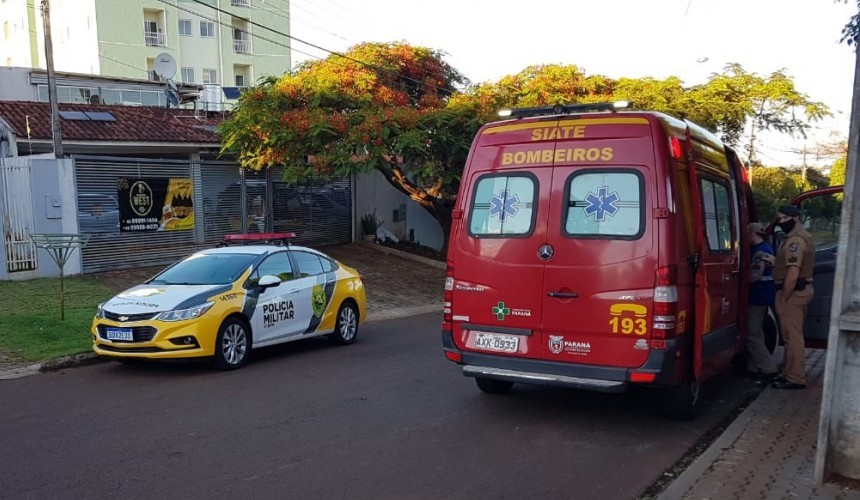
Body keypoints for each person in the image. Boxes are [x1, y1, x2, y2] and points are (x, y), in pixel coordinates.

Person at [771, 205, 815, 390]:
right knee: (790, 336)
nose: (781, 222)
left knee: (793, 338)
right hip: (799, 292)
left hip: (792, 293)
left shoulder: (795, 241)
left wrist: (784, 297)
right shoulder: (801, 236)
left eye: (783, 218)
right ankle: (788, 372)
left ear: (794, 218)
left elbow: (793, 273)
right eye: (779, 219)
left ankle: (795, 377)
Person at [745, 222, 777, 379]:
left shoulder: (760, 252)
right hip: (763, 296)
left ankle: (768, 368)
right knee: (757, 332)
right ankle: (753, 366)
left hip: (758, 297)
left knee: (751, 334)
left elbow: (754, 276)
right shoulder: (765, 248)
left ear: (752, 234)